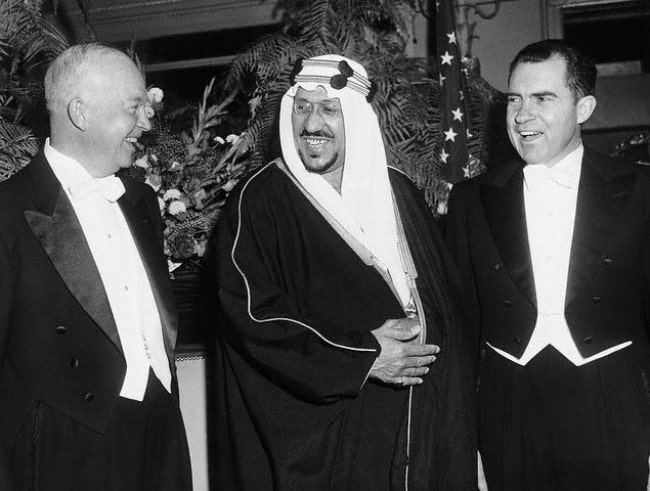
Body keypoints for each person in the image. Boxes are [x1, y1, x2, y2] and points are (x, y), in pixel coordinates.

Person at [208, 54, 475, 490]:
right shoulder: (260, 199)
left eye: (329, 110)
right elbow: (251, 318)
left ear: (357, 120)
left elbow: (447, 298)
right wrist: (363, 358)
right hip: (336, 431)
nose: (312, 124)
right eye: (302, 108)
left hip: (422, 421)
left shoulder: (400, 191)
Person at [447, 38, 650, 491]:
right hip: (507, 409)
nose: (522, 116)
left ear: (584, 108)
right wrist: (467, 444)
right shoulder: (470, 200)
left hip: (613, 405)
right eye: (514, 99)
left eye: (543, 98)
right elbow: (460, 332)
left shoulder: (640, 190)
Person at [0, 43, 192, 491]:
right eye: (134, 106)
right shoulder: (8, 212)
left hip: (160, 431)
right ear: (81, 113)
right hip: (64, 448)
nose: (147, 119)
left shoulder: (143, 201)